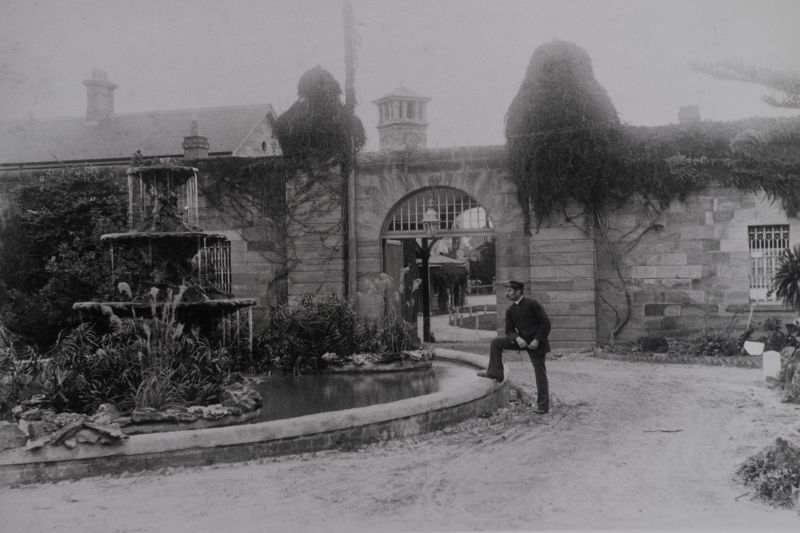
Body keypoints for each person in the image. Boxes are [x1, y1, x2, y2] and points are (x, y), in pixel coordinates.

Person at [478, 280, 551, 414]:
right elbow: (509, 330)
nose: (507, 293)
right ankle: (496, 373)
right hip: (522, 342)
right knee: (496, 342)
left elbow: (545, 323)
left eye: (510, 291)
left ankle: (543, 406)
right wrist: (517, 338)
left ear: (518, 292)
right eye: (507, 291)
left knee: (540, 373)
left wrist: (537, 340)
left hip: (537, 344)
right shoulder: (510, 310)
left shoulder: (532, 304)